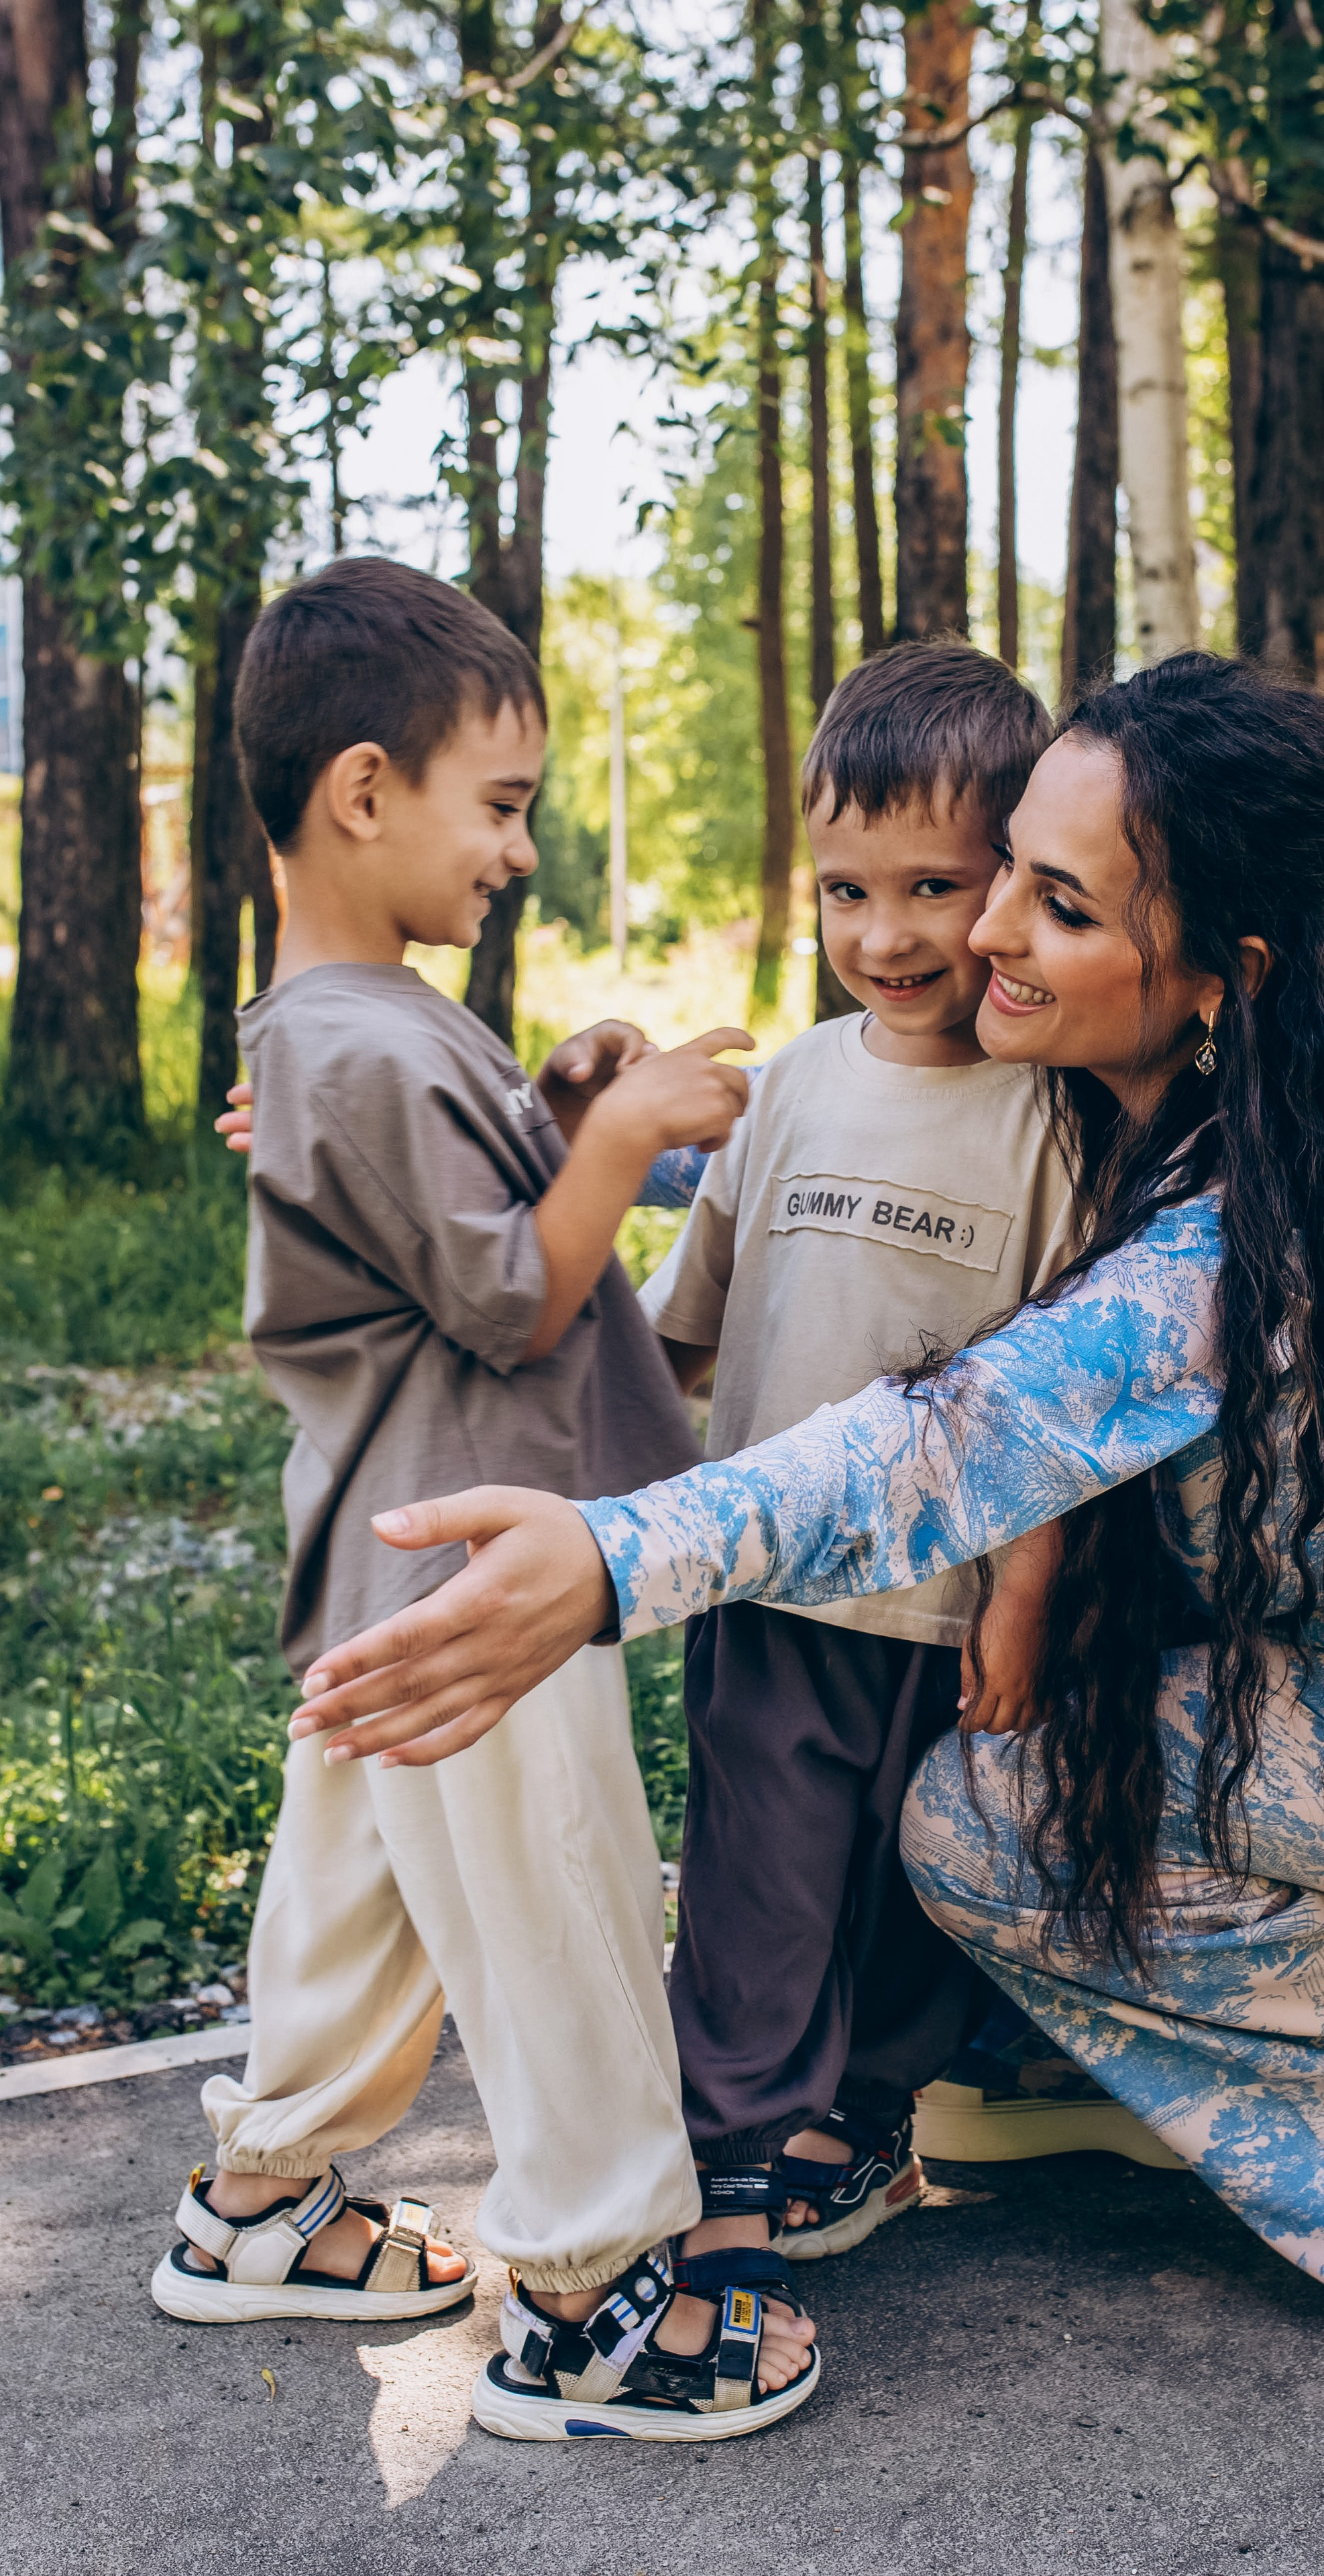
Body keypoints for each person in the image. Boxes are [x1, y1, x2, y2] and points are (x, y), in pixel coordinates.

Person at [290, 651, 1324, 2345]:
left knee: (992, 1825)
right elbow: (822, 1152)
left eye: (1053, 904)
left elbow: (949, 1443)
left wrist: (609, 1562)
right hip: (1320, 1655)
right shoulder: (1129, 1088)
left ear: (1216, 974)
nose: (975, 940)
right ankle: (1065, 2059)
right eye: (1008, 874)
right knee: (993, 1797)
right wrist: (423, 1129)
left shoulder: (1290, 1222)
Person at [154, 555, 820, 2441]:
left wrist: (562, 1090)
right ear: (365, 793)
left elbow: (443, 1212)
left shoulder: (355, 1024)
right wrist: (620, 1133)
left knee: (359, 1904)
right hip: (487, 1568)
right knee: (557, 1913)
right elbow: (512, 1290)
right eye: (500, 806)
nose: (518, 850)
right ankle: (598, 2308)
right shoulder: (354, 1037)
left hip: (391, 1564)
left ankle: (262, 2201)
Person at [639, 643, 1077, 2282]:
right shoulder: (791, 1090)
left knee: (914, 1885)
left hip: (950, 1607)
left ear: (1012, 887)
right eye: (842, 890)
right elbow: (677, 1332)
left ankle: (873, 2116)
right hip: (769, 1592)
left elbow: (1061, 1396)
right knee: (758, 1884)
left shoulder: (1053, 1116)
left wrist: (1020, 1593)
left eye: (930, 888)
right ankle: (726, 2173)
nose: (883, 936)